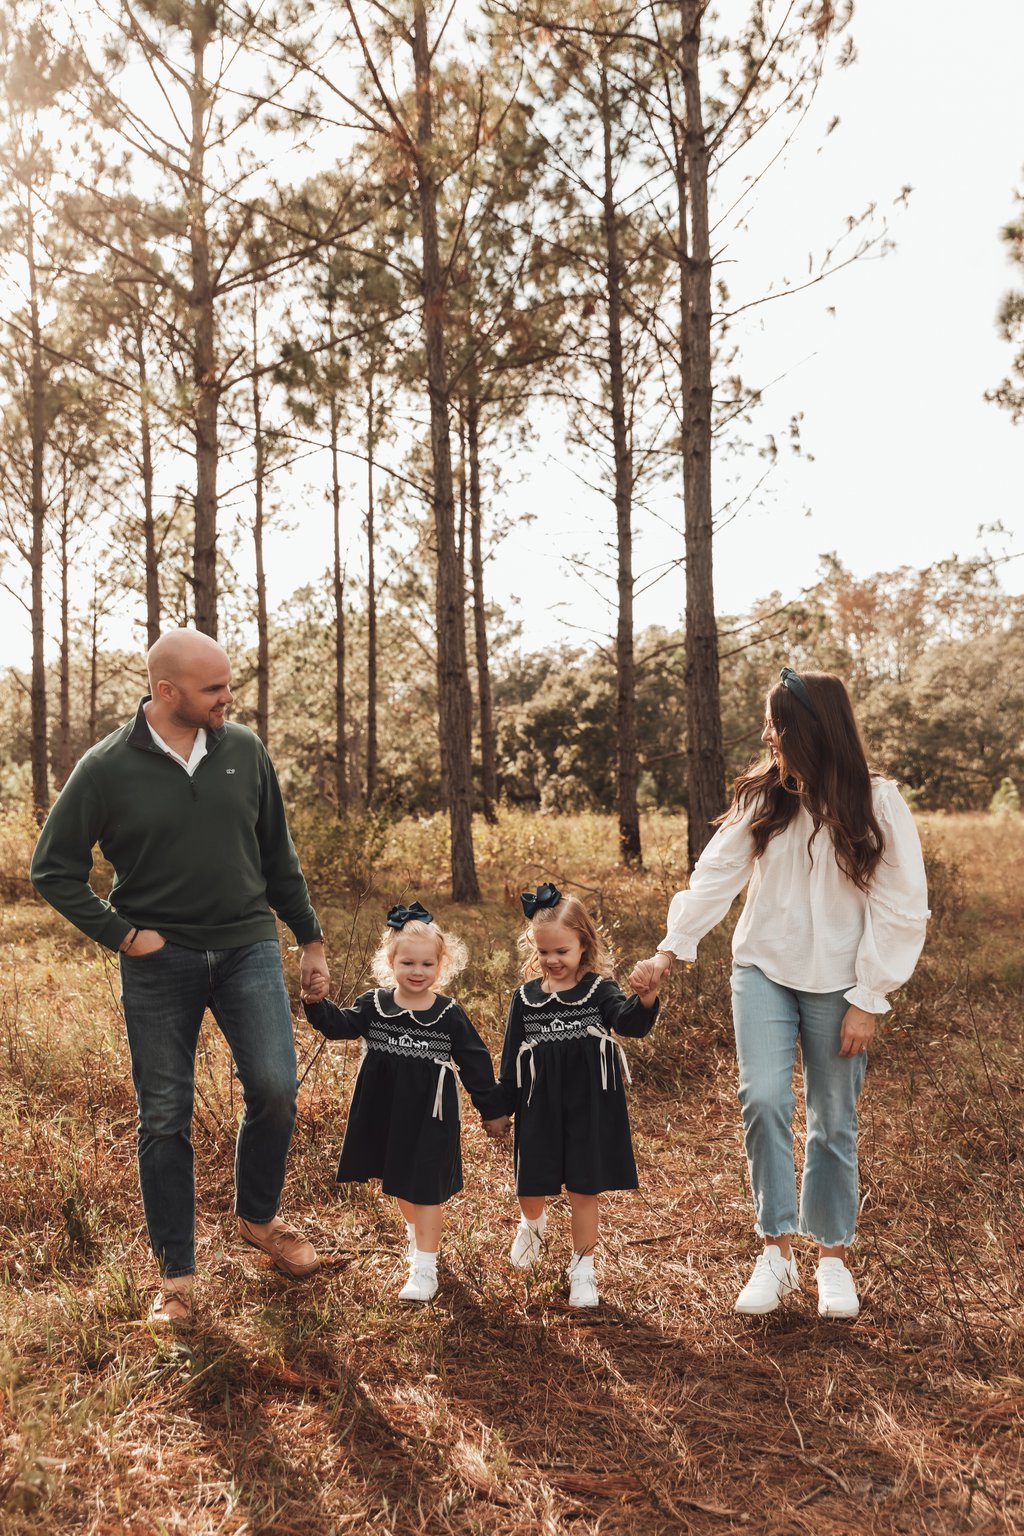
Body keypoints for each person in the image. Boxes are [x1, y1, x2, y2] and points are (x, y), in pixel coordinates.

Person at [30, 628, 330, 1325]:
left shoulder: (245, 749)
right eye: (213, 689)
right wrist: (122, 934)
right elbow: (53, 869)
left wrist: (310, 938)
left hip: (247, 944)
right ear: (167, 692)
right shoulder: (105, 767)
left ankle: (258, 1219)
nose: (228, 698)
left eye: (227, 684)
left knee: (275, 1088)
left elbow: (277, 854)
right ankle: (178, 1281)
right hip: (158, 961)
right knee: (164, 1115)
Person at [631, 667, 929, 1321]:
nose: (767, 734)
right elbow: (715, 875)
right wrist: (669, 950)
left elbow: (902, 905)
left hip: (842, 982)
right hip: (762, 969)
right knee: (763, 1101)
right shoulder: (765, 797)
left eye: (775, 723)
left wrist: (869, 997)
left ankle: (832, 1260)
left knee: (832, 1121)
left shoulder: (876, 802)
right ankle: (775, 1253)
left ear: (809, 730)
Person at [302, 902, 509, 1302]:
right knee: (399, 1181)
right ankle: (416, 1236)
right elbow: (339, 1025)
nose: (417, 971)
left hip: (431, 1116)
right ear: (390, 962)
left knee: (425, 1188)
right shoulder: (375, 1005)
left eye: (427, 964)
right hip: (386, 1111)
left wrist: (493, 1110)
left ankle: (426, 1268)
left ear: (441, 965)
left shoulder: (448, 1015)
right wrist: (316, 1003)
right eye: (408, 962)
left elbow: (476, 1064)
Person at [498, 884, 662, 1308]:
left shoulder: (598, 989)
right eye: (544, 952)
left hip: (589, 1106)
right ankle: (532, 1224)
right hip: (538, 1105)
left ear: (584, 945)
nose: (552, 960)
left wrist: (645, 999)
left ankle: (583, 1268)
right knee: (529, 1182)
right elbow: (511, 1056)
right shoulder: (525, 999)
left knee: (583, 1190)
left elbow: (627, 1023)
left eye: (562, 951)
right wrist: (499, 1109)